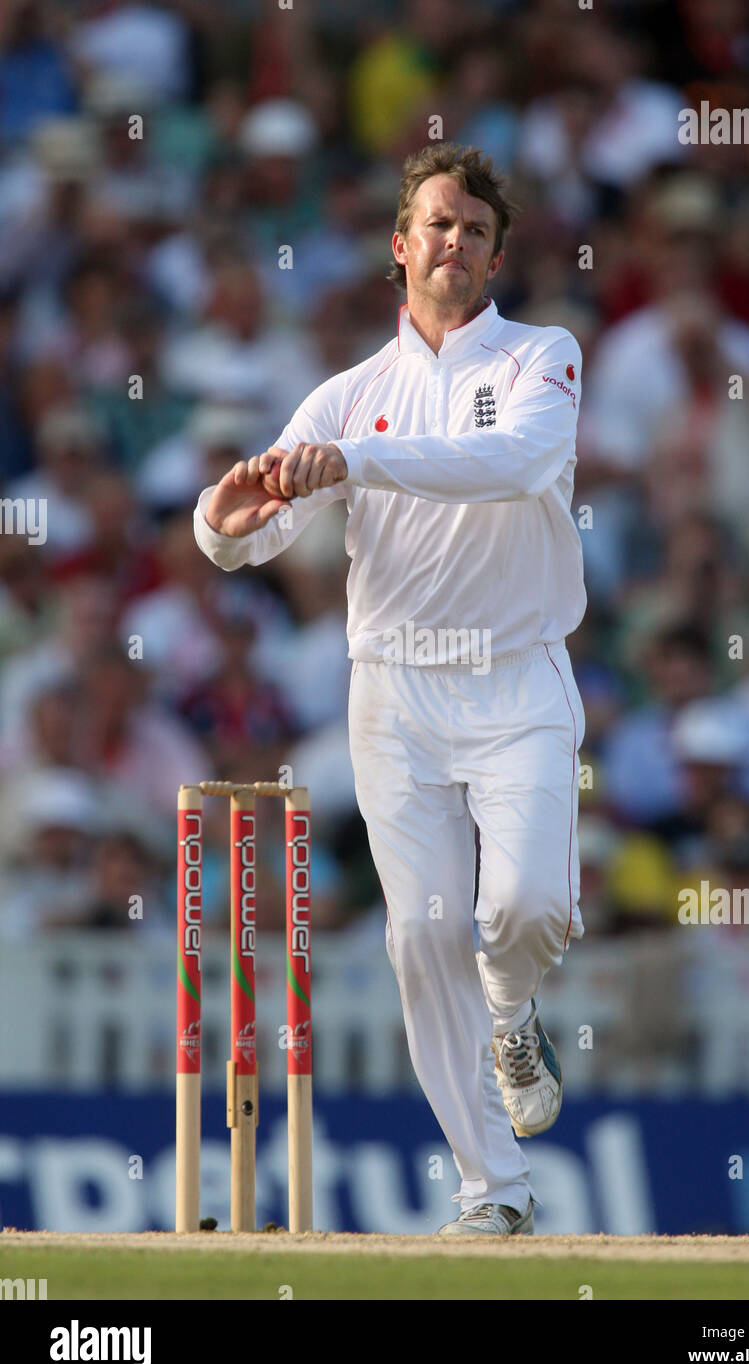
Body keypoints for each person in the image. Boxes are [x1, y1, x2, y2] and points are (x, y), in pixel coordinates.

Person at [193, 142, 586, 1236]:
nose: (451, 240)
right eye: (434, 223)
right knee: (420, 934)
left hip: (517, 678)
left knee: (524, 909)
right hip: (395, 693)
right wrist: (219, 525)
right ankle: (492, 1193)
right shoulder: (346, 394)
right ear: (399, 248)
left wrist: (357, 463)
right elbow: (253, 528)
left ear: (494, 252)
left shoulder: (542, 358)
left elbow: (514, 463)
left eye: (472, 226)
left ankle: (513, 1010)